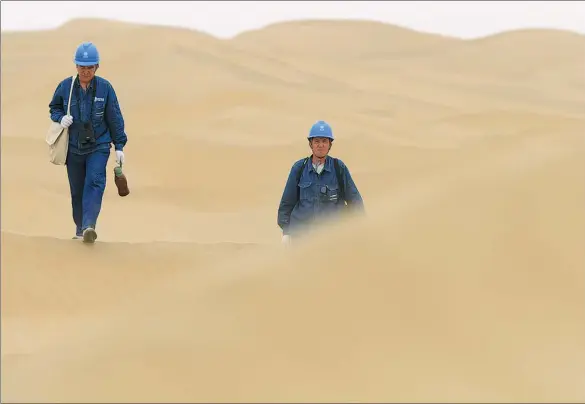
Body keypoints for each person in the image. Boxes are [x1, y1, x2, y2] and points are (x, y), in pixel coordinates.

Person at [48, 42, 128, 243]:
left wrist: (119, 146)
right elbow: (54, 108)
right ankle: (80, 228)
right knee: (77, 191)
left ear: (97, 67)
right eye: (82, 66)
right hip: (73, 148)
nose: (85, 71)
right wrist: (60, 118)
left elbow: (115, 117)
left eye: (90, 67)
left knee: (95, 182)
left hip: (99, 145)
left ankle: (89, 226)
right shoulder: (66, 86)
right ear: (76, 66)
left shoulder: (105, 88)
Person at [277, 120, 365, 243]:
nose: (320, 145)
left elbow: (355, 201)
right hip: (301, 238)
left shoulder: (338, 168)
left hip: (332, 239)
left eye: (324, 141)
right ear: (310, 144)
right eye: (317, 141)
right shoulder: (299, 168)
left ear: (330, 145)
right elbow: (287, 203)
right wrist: (286, 232)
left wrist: (360, 230)